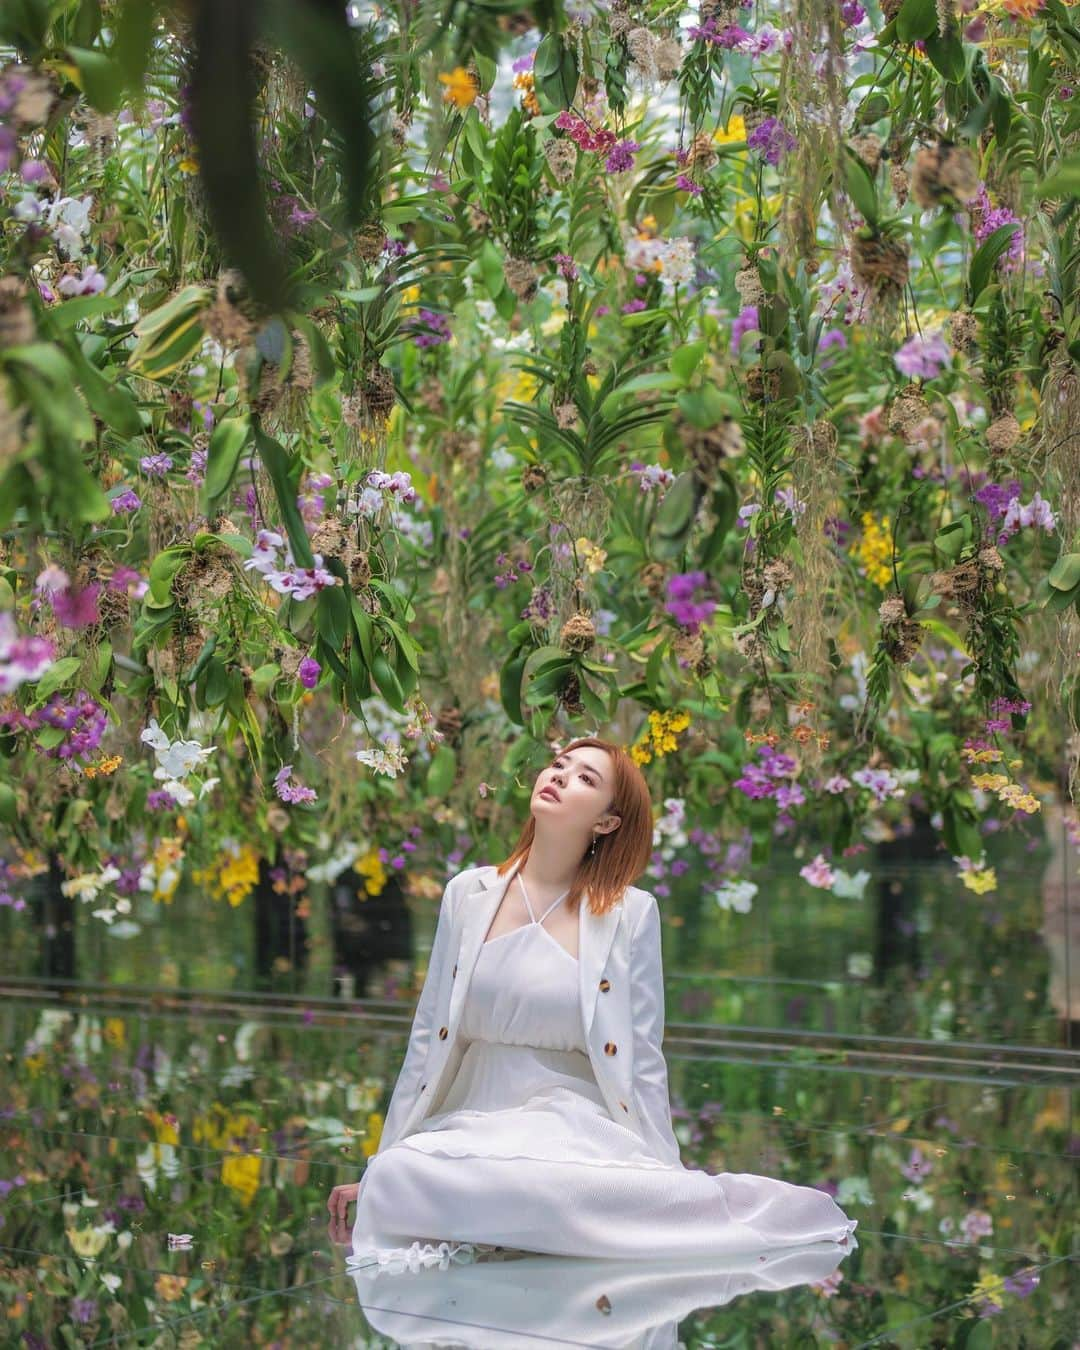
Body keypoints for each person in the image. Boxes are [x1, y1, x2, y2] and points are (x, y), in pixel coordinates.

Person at [327, 735, 857, 1269]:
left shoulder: (630, 914)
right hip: (473, 1116)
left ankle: (580, 1210)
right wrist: (379, 1167)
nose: (558, 776)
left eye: (585, 778)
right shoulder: (469, 894)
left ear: (607, 822)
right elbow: (428, 1035)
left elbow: (644, 1056)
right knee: (404, 1174)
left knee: (556, 1186)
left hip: (570, 1117)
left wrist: (664, 1172)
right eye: (558, 765)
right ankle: (514, 1217)